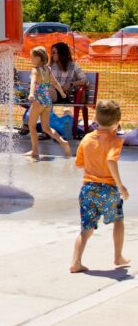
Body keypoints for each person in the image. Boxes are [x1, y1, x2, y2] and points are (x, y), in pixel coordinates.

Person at [70, 100, 130, 273]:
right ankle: (118, 256)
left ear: (95, 117)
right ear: (118, 121)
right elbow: (111, 160)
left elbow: (79, 164)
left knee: (86, 228)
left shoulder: (87, 139)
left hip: (88, 189)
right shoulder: (115, 141)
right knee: (118, 220)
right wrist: (121, 186)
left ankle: (76, 261)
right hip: (108, 189)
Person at [20, 42, 89, 135]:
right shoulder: (50, 66)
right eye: (51, 52)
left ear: (62, 53)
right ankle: (43, 130)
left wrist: (71, 83)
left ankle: (27, 123)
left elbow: (85, 80)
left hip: (62, 95)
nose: (52, 55)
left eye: (54, 52)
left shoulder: (73, 66)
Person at [25, 46, 71, 160]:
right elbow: (55, 83)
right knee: (46, 128)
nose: (31, 60)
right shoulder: (48, 69)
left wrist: (31, 94)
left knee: (31, 126)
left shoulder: (35, 70)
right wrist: (62, 93)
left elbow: (33, 82)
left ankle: (35, 151)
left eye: (32, 57)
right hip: (47, 100)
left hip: (38, 99)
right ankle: (63, 142)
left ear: (37, 58)